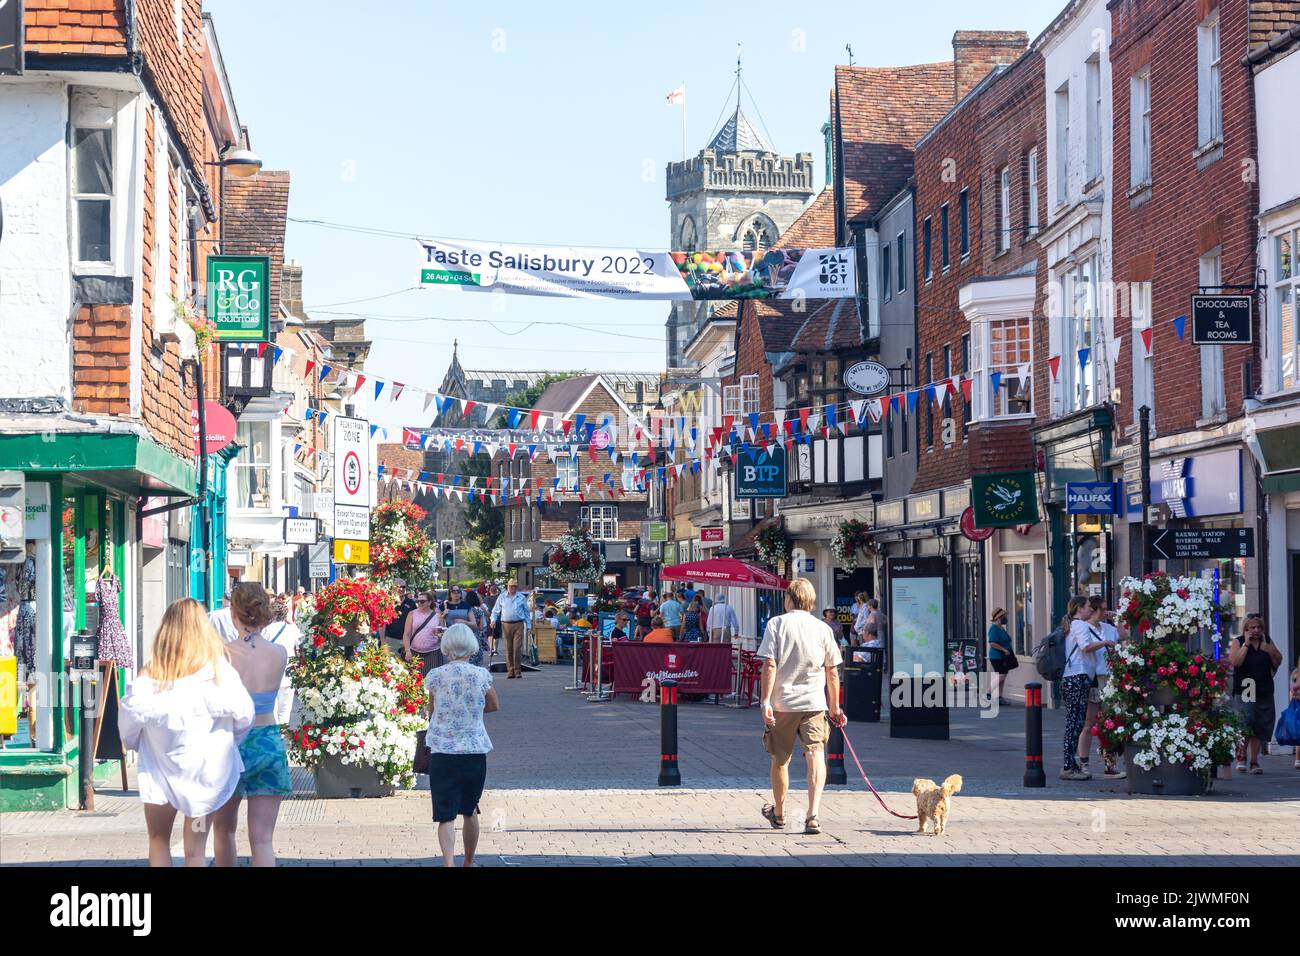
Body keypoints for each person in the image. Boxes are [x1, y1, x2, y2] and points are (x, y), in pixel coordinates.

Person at [119, 598, 254, 867]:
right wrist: (228, 738)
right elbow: (245, 716)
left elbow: (128, 727)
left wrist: (140, 743)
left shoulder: (150, 675)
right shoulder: (219, 672)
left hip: (160, 773)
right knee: (196, 850)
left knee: (158, 840)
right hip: (205, 776)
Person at [213, 583, 291, 867]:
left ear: (233, 612)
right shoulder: (279, 653)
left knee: (223, 831)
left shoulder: (222, 653)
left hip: (231, 743)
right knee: (262, 840)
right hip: (268, 740)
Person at [758, 578, 845, 836]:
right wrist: (835, 707)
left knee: (781, 759)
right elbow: (832, 672)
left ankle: (780, 813)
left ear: (788, 599)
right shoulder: (822, 629)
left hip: (783, 703)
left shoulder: (776, 624)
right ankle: (813, 814)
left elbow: (770, 665)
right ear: (811, 601)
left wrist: (765, 701)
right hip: (814, 703)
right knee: (816, 754)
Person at [423, 623, 500, 867]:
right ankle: (468, 861)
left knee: (445, 814)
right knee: (470, 809)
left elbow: (431, 711)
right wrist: (473, 711)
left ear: (447, 647)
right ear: (471, 646)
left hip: (443, 750)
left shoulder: (436, 676)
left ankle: (449, 863)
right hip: (474, 749)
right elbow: (493, 705)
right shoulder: (480, 675)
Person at [1060, 595, 1113, 781]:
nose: (1091, 609)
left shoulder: (1071, 624)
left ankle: (1070, 765)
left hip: (1073, 676)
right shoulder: (1080, 625)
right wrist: (1105, 643)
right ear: (1079, 608)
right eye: (1089, 606)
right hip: (1078, 676)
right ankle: (1068, 767)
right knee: (1075, 723)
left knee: (1074, 722)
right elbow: (1085, 647)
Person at [1228, 614, 1283, 773]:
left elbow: (1279, 660)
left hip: (1264, 686)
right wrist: (1246, 644)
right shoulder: (1238, 642)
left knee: (1260, 723)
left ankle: (1254, 762)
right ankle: (1241, 758)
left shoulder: (1267, 641)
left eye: (1259, 627)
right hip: (1246, 686)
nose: (1256, 630)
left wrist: (1269, 649)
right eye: (1253, 628)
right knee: (1246, 722)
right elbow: (1235, 662)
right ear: (1246, 629)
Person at [265, 594, 302, 726]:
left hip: (270, 674)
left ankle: (275, 735)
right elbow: (301, 642)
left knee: (272, 710)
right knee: (285, 710)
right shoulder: (292, 629)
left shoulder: (266, 630)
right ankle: (282, 734)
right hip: (288, 671)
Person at [489, 579, 532, 679]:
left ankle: (517, 671)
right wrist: (493, 620)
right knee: (508, 649)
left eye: (514, 586)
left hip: (518, 624)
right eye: (510, 586)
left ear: (516, 587)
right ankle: (510, 671)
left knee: (517, 648)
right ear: (508, 587)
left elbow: (526, 613)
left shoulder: (521, 597)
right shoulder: (502, 596)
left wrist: (529, 626)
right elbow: (495, 611)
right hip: (506, 624)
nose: (512, 588)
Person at [404, 591, 444, 676]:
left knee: (432, 681)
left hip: (433, 653)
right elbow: (406, 634)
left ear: (429, 602)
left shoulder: (437, 615)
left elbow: (442, 633)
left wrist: (440, 635)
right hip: (415, 653)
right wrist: (407, 651)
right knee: (415, 681)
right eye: (417, 601)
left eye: (422, 601)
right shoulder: (412, 614)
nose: (419, 603)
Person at [987, 607, 1015, 705]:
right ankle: (988, 694)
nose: (1005, 618)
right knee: (1001, 675)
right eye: (1004, 616)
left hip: (1003, 656)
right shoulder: (994, 628)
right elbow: (992, 643)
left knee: (1003, 675)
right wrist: (1003, 649)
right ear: (999, 617)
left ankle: (999, 697)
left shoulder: (1001, 628)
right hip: (996, 656)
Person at [386, 584, 418, 656]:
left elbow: (416, 620)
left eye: (403, 587)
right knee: (392, 664)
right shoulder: (388, 602)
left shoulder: (411, 603)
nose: (401, 589)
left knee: (407, 665)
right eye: (398, 586)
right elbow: (382, 622)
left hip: (407, 640)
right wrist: (382, 641)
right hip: (391, 639)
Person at [464, 589, 491, 668]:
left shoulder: (464, 611)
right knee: (477, 661)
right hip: (476, 637)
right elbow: (481, 627)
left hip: (465, 636)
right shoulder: (479, 612)